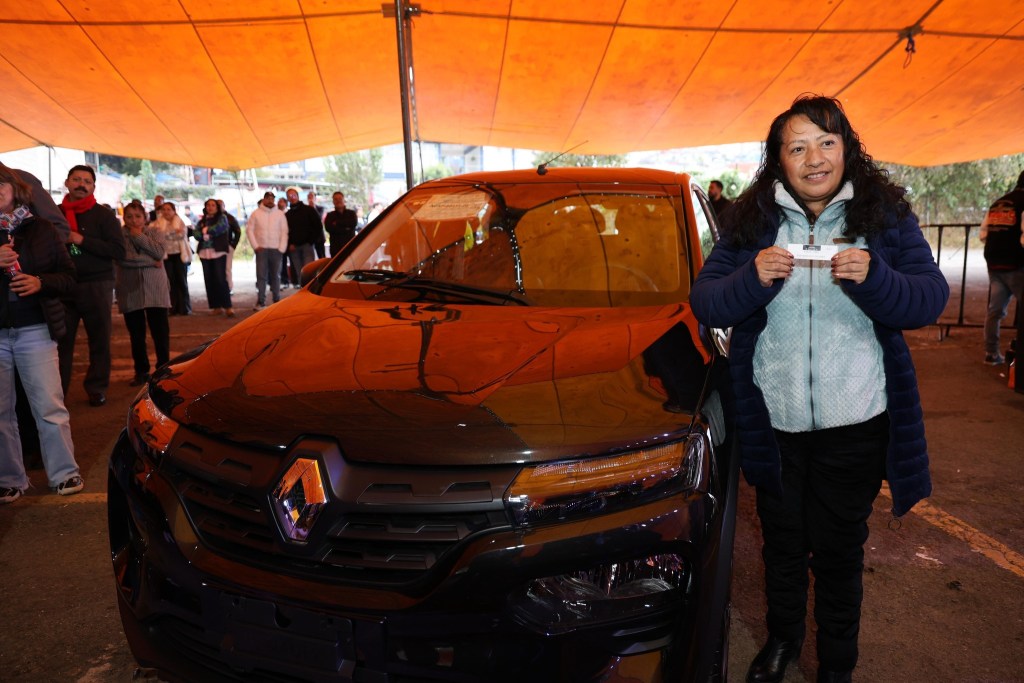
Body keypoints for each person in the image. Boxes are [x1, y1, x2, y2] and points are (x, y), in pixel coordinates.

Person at [689, 95, 949, 683]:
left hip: (856, 419)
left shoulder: (884, 218)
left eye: (826, 142)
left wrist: (875, 277)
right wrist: (750, 278)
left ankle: (837, 662)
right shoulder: (748, 223)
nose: (814, 158)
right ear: (778, 159)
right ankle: (782, 642)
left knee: (837, 551)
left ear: (847, 149)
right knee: (781, 543)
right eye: (798, 146)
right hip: (772, 421)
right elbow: (705, 300)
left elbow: (929, 298)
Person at [0, 165, 84, 503]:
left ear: (15, 187)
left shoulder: (43, 229)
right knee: (1, 412)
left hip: (35, 329)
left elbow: (69, 277)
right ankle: (9, 478)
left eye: (0, 183)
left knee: (49, 406)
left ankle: (64, 473)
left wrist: (40, 282)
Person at [57, 164, 126, 407]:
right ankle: (58, 392)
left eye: (87, 181)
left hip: (97, 284)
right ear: (67, 183)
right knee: (60, 343)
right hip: (62, 287)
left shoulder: (104, 216)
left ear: (93, 187)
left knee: (99, 340)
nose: (81, 185)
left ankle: (96, 388)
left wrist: (81, 240)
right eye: (76, 179)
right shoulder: (54, 214)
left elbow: (118, 251)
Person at [116, 203, 171, 386]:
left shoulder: (155, 232)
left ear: (145, 217)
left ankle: (163, 369)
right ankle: (141, 371)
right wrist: (152, 261)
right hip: (130, 289)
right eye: (129, 216)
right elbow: (124, 258)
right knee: (136, 334)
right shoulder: (118, 236)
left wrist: (138, 236)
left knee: (160, 332)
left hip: (156, 288)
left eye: (137, 216)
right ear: (124, 218)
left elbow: (160, 252)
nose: (133, 220)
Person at [979, 170, 1024, 365]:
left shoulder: (999, 202)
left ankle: (991, 353)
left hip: (994, 264)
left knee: (995, 311)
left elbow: (983, 235)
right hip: (1016, 265)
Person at [246, 191, 288, 310]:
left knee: (276, 275)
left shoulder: (280, 214)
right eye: (267, 198)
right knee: (261, 276)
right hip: (261, 249)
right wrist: (255, 245)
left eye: (272, 198)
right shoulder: (256, 214)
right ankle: (261, 301)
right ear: (263, 199)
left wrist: (281, 248)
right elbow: (249, 230)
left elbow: (284, 231)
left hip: (276, 249)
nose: (270, 200)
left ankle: (276, 301)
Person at [195, 198, 234, 317]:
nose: (210, 207)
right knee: (209, 280)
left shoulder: (222, 218)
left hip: (218, 252)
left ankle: (228, 306)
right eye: (208, 205)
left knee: (220, 279)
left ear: (217, 207)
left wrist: (206, 231)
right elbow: (196, 234)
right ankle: (216, 306)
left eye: (213, 205)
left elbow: (220, 228)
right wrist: (203, 233)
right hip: (204, 253)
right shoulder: (202, 220)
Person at [152, 201, 192, 316]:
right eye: (164, 209)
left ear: (174, 211)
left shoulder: (180, 221)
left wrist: (166, 234)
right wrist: (172, 233)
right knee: (170, 282)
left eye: (169, 209)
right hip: (166, 256)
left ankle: (185, 308)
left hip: (180, 255)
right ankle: (172, 308)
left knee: (182, 281)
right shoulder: (157, 223)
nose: (166, 212)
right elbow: (157, 237)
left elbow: (181, 234)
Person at [285, 186, 321, 282]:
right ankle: (303, 293)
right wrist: (289, 244)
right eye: (289, 196)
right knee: (299, 273)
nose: (292, 197)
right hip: (294, 247)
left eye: (293, 195)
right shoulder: (287, 215)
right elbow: (285, 231)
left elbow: (318, 226)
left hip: (307, 245)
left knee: (309, 272)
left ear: (298, 196)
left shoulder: (309, 210)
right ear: (287, 198)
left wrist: (311, 241)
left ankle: (311, 292)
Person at [215, 199, 242, 293]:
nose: (218, 207)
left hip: (227, 247)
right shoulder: (212, 218)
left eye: (220, 205)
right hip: (214, 248)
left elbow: (238, 232)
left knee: (227, 268)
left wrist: (233, 245)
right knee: (217, 269)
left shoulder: (230, 218)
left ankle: (229, 288)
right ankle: (218, 289)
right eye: (216, 205)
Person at [324, 191, 358, 256]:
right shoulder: (330, 215)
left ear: (343, 200)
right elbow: (328, 228)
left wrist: (337, 223)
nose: (338, 201)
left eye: (340, 198)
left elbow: (353, 223)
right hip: (336, 249)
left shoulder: (351, 213)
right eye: (335, 199)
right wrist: (346, 227)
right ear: (333, 201)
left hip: (350, 247)